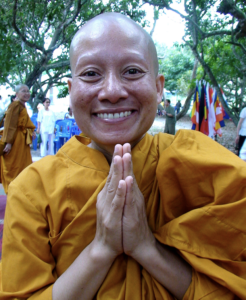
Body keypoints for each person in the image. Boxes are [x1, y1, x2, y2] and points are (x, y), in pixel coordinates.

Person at [0, 13, 246, 300]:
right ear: (71, 90)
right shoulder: (34, 189)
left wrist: (145, 247)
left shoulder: (201, 164)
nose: (112, 92)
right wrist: (101, 249)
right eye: (91, 74)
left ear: (158, 87)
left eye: (132, 71)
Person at [0, 84, 36, 194]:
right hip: (15, 140)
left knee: (22, 166)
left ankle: (20, 192)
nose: (27, 93)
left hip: (21, 140)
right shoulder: (15, 105)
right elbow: (10, 124)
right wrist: (9, 142)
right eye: (23, 91)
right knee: (14, 166)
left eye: (28, 91)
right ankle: (13, 192)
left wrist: (31, 131)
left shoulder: (21, 105)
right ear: (17, 94)